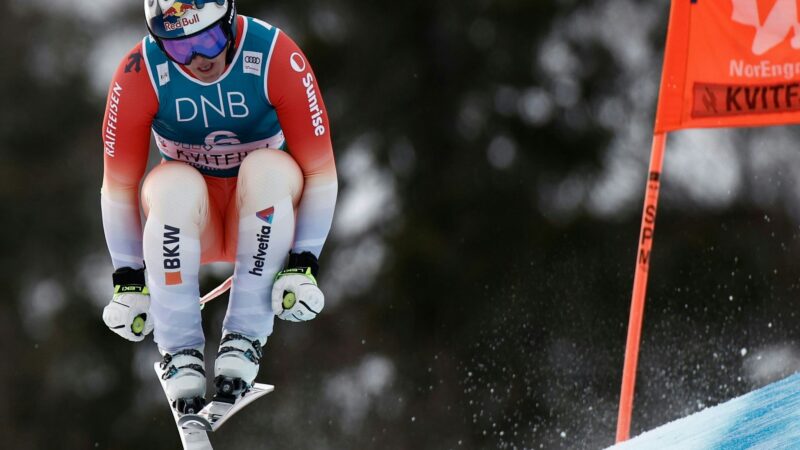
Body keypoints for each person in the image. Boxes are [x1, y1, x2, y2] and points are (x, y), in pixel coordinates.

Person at [99, 0, 337, 413]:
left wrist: (304, 263)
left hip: (263, 216)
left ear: (229, 21)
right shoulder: (140, 71)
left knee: (268, 169)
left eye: (209, 40)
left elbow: (321, 173)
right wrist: (128, 280)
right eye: (178, 48)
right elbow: (118, 186)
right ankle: (181, 353)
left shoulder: (274, 55)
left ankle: (245, 337)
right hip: (194, 223)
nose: (197, 60)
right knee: (172, 184)